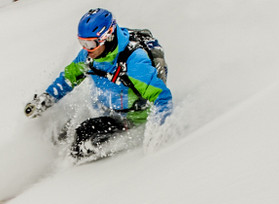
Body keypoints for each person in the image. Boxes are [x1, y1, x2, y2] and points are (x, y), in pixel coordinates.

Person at [24, 8, 172, 159]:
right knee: (60, 134)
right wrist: (47, 98)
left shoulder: (134, 62)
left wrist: (158, 133)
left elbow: (162, 97)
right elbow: (69, 78)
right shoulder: (89, 56)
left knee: (82, 137)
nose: (86, 49)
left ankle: (67, 173)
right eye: (82, 42)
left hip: (130, 119)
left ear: (107, 38)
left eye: (90, 43)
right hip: (103, 111)